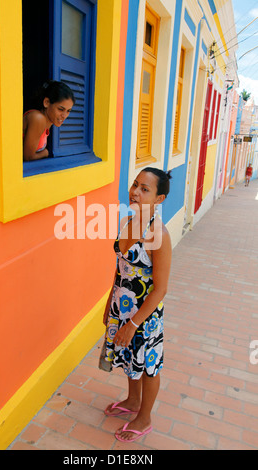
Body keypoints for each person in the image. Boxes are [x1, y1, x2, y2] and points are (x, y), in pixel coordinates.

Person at [101, 167, 172, 443]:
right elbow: (120, 267)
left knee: (148, 365)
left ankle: (144, 417)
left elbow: (161, 288)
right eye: (135, 185)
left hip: (144, 315)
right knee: (131, 359)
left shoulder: (159, 235)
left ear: (159, 199)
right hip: (123, 305)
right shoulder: (127, 223)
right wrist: (110, 301)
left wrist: (133, 324)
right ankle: (132, 401)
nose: (135, 192)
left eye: (145, 189)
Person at [23, 80, 75, 161]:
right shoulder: (38, 118)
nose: (64, 116)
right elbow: (28, 157)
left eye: (68, 111)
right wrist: (46, 152)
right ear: (46, 102)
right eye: (61, 109)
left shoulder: (47, 123)